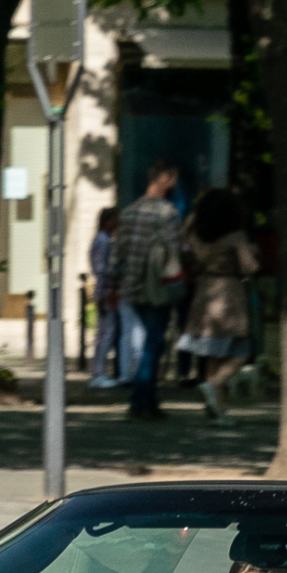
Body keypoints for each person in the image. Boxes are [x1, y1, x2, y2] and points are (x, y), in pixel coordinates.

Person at [108, 158, 185, 422]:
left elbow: (116, 256)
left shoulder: (128, 213)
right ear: (164, 179)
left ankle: (145, 400)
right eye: (173, 178)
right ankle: (141, 401)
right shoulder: (168, 214)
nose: (175, 184)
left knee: (151, 342)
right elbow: (176, 252)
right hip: (158, 288)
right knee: (154, 343)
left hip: (133, 288)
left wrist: (113, 286)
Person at [176, 189, 258, 421]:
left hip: (204, 292)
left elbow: (186, 257)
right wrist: (253, 255)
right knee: (242, 351)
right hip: (229, 294)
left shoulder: (197, 237)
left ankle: (217, 408)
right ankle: (213, 385)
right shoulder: (236, 236)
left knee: (212, 353)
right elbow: (249, 267)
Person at [88, 207, 121, 387]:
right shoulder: (103, 241)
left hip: (104, 290)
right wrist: (105, 293)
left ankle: (99, 371)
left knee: (105, 333)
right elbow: (102, 270)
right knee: (106, 333)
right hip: (105, 291)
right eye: (115, 219)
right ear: (107, 221)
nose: (117, 223)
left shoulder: (104, 240)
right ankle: (98, 373)